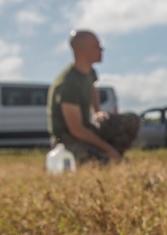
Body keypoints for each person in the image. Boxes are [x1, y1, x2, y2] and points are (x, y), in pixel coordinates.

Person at [47, 30, 140, 165]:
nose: (102, 49)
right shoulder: (67, 84)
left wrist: (97, 111)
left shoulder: (89, 71)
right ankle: (110, 158)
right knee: (98, 162)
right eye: (97, 46)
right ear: (83, 51)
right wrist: (108, 148)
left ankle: (113, 157)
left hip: (86, 129)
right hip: (67, 139)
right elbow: (76, 130)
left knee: (131, 120)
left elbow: (92, 87)